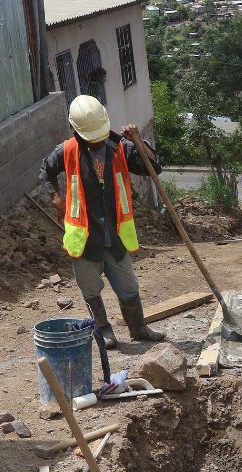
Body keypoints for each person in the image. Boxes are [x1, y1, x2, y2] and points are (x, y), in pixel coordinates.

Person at [38, 95, 165, 348]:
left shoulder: (121, 147)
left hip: (115, 235)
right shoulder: (67, 150)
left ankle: (138, 329)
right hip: (85, 237)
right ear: (77, 129)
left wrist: (139, 141)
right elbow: (46, 170)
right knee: (90, 289)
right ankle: (104, 330)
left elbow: (154, 167)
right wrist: (55, 196)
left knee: (128, 285)